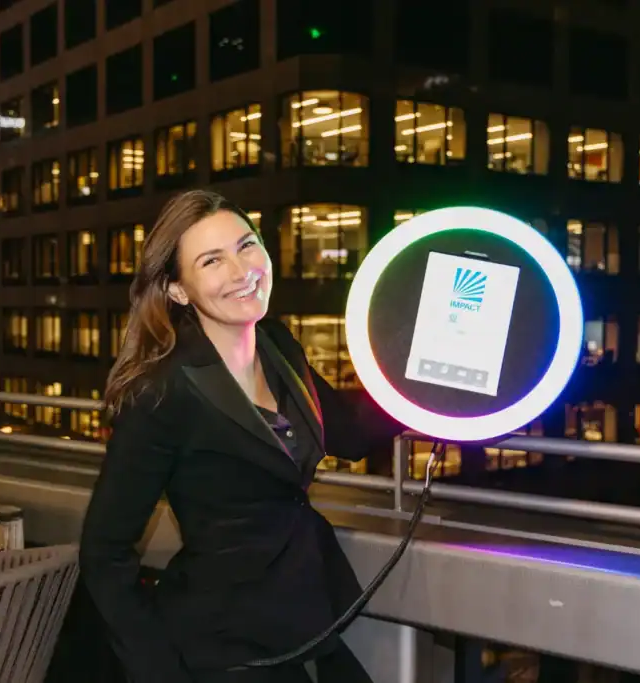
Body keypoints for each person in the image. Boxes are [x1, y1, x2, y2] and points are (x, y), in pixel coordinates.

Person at [79, 190, 401, 683]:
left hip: (304, 626)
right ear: (179, 290)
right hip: (222, 650)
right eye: (212, 261)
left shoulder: (278, 346)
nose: (241, 270)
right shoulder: (163, 392)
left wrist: (428, 398)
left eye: (246, 246)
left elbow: (348, 431)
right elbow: (104, 554)